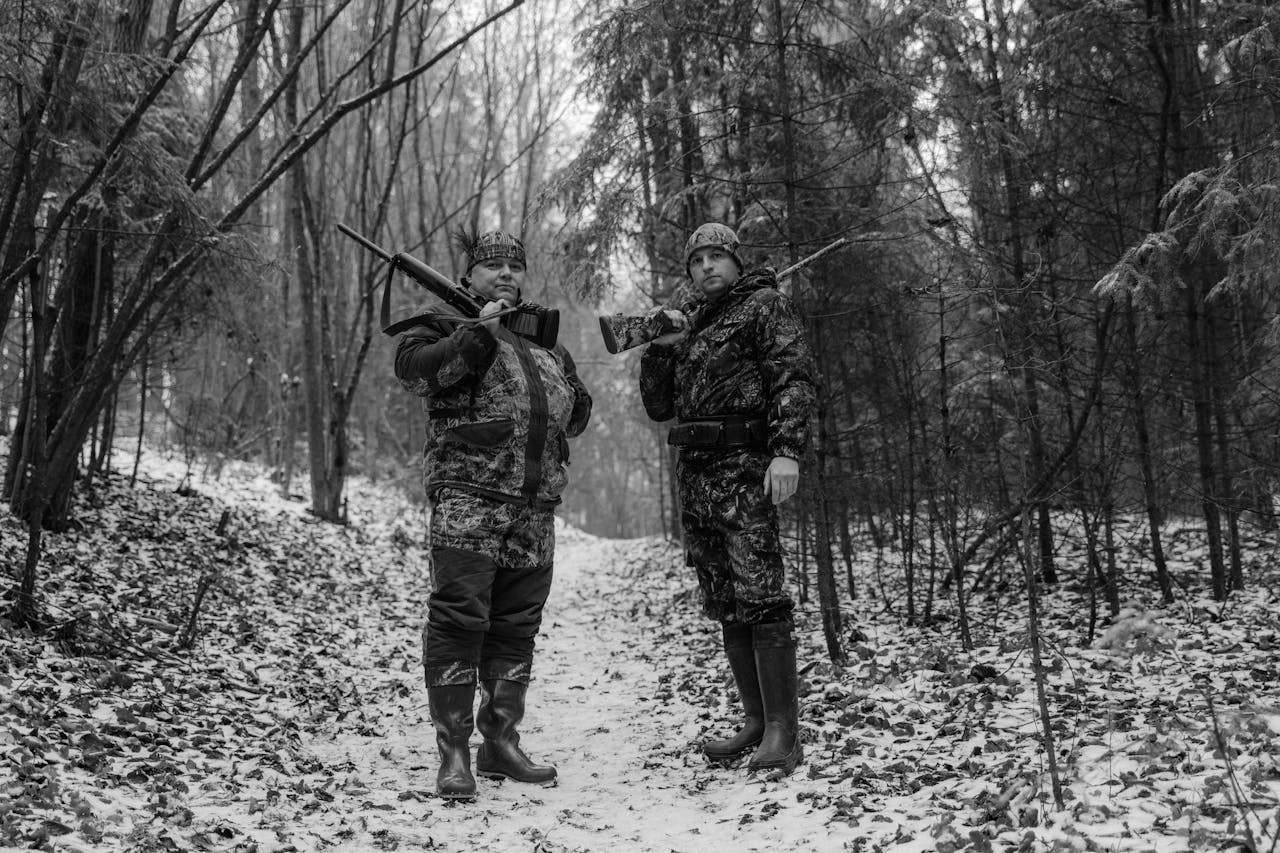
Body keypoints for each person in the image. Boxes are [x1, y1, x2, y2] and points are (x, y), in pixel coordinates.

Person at [394, 229, 592, 800]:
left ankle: (500, 743)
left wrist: (574, 393)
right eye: (492, 266)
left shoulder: (544, 343)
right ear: (471, 274)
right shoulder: (443, 325)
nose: (505, 273)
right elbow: (417, 373)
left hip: (535, 508)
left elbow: (573, 415)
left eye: (514, 266)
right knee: (459, 623)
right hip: (468, 502)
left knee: (515, 631)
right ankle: (453, 750)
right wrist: (476, 333)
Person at [639, 222, 817, 776]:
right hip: (697, 476)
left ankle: (784, 732)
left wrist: (786, 450)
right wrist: (661, 350)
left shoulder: (765, 306)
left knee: (761, 591)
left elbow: (793, 378)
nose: (707, 266)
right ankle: (757, 721)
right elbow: (658, 406)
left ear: (736, 262)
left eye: (718, 256)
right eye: (697, 260)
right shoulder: (689, 322)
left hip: (745, 469)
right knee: (727, 598)